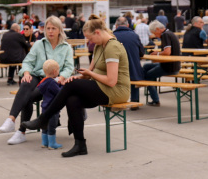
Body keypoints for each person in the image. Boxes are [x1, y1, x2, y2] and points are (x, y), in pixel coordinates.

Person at [22, 17, 130, 157]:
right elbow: (89, 75)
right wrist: (77, 77)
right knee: (72, 99)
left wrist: (85, 76)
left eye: (90, 38)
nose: (89, 42)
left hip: (116, 91)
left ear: (97, 32)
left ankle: (44, 119)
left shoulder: (112, 47)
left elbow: (111, 81)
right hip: (102, 87)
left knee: (71, 86)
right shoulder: (99, 46)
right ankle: (80, 145)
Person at [0, 16, 74, 144]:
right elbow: (27, 62)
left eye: (53, 28)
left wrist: (60, 78)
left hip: (54, 80)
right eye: (48, 28)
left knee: (27, 97)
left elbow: (69, 67)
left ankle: (21, 131)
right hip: (38, 76)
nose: (50, 31)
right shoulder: (39, 44)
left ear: (59, 30)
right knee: (26, 83)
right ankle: (11, 120)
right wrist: (27, 73)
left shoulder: (66, 47)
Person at [143, 20, 181, 107]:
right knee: (146, 66)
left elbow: (167, 52)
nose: (156, 36)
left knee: (147, 76)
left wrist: (157, 53)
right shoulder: (169, 33)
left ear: (157, 29)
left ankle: (155, 100)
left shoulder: (165, 35)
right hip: (174, 65)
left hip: (169, 67)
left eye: (155, 33)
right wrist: (158, 52)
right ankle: (146, 86)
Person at [113, 16, 145, 104]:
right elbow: (142, 53)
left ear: (116, 26)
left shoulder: (112, 36)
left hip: (117, 70)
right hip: (134, 69)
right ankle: (134, 102)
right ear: (128, 25)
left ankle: (118, 101)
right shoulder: (134, 35)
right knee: (134, 75)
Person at [36, 59, 64, 150]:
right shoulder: (52, 82)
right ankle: (52, 143)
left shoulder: (44, 81)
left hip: (44, 107)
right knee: (52, 126)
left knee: (45, 126)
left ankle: (45, 142)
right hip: (52, 108)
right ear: (55, 71)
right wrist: (62, 85)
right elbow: (59, 93)